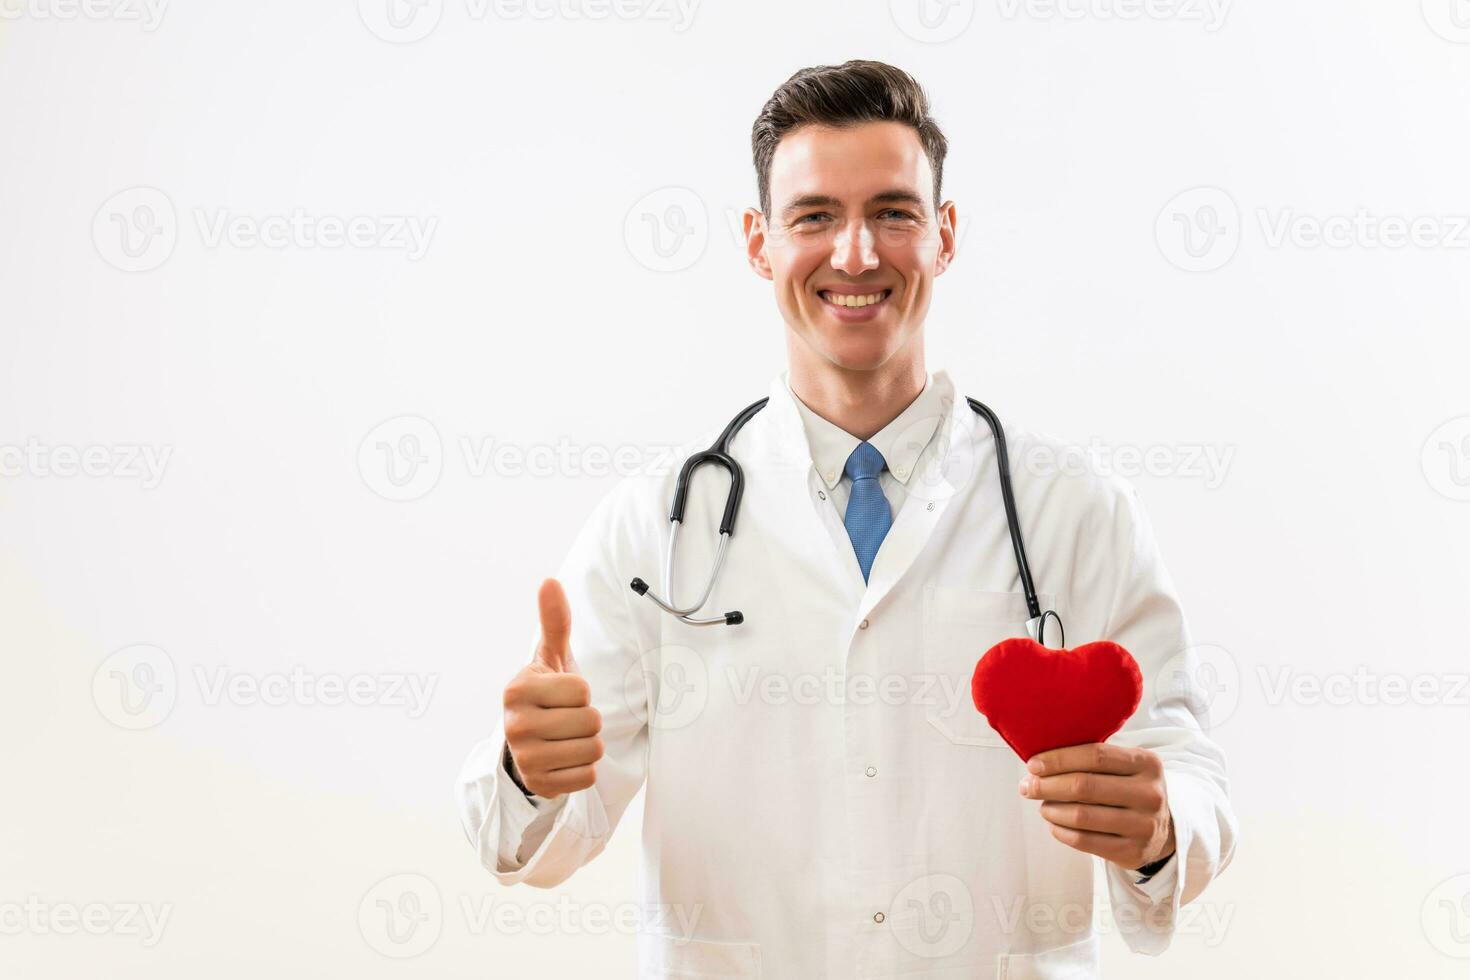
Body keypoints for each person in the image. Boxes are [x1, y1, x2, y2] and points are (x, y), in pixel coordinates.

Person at [457, 59, 1236, 978]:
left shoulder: (1074, 509)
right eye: (815, 215)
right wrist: (526, 771)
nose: (857, 254)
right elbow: (520, 840)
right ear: (759, 243)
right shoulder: (655, 526)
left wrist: (1159, 825)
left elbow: (1190, 775)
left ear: (944, 236)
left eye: (894, 213)